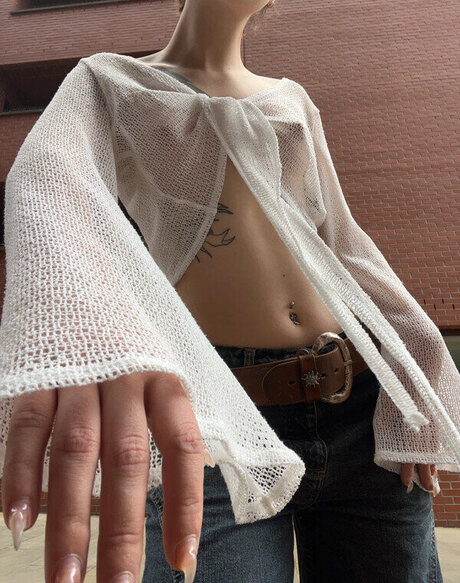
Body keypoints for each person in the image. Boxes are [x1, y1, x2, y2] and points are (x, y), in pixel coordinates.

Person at [1, 1, 452, 582]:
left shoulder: (291, 98)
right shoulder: (108, 80)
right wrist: (96, 334)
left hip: (359, 402)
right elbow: (47, 182)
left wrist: (418, 370)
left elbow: (344, 243)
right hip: (215, 415)